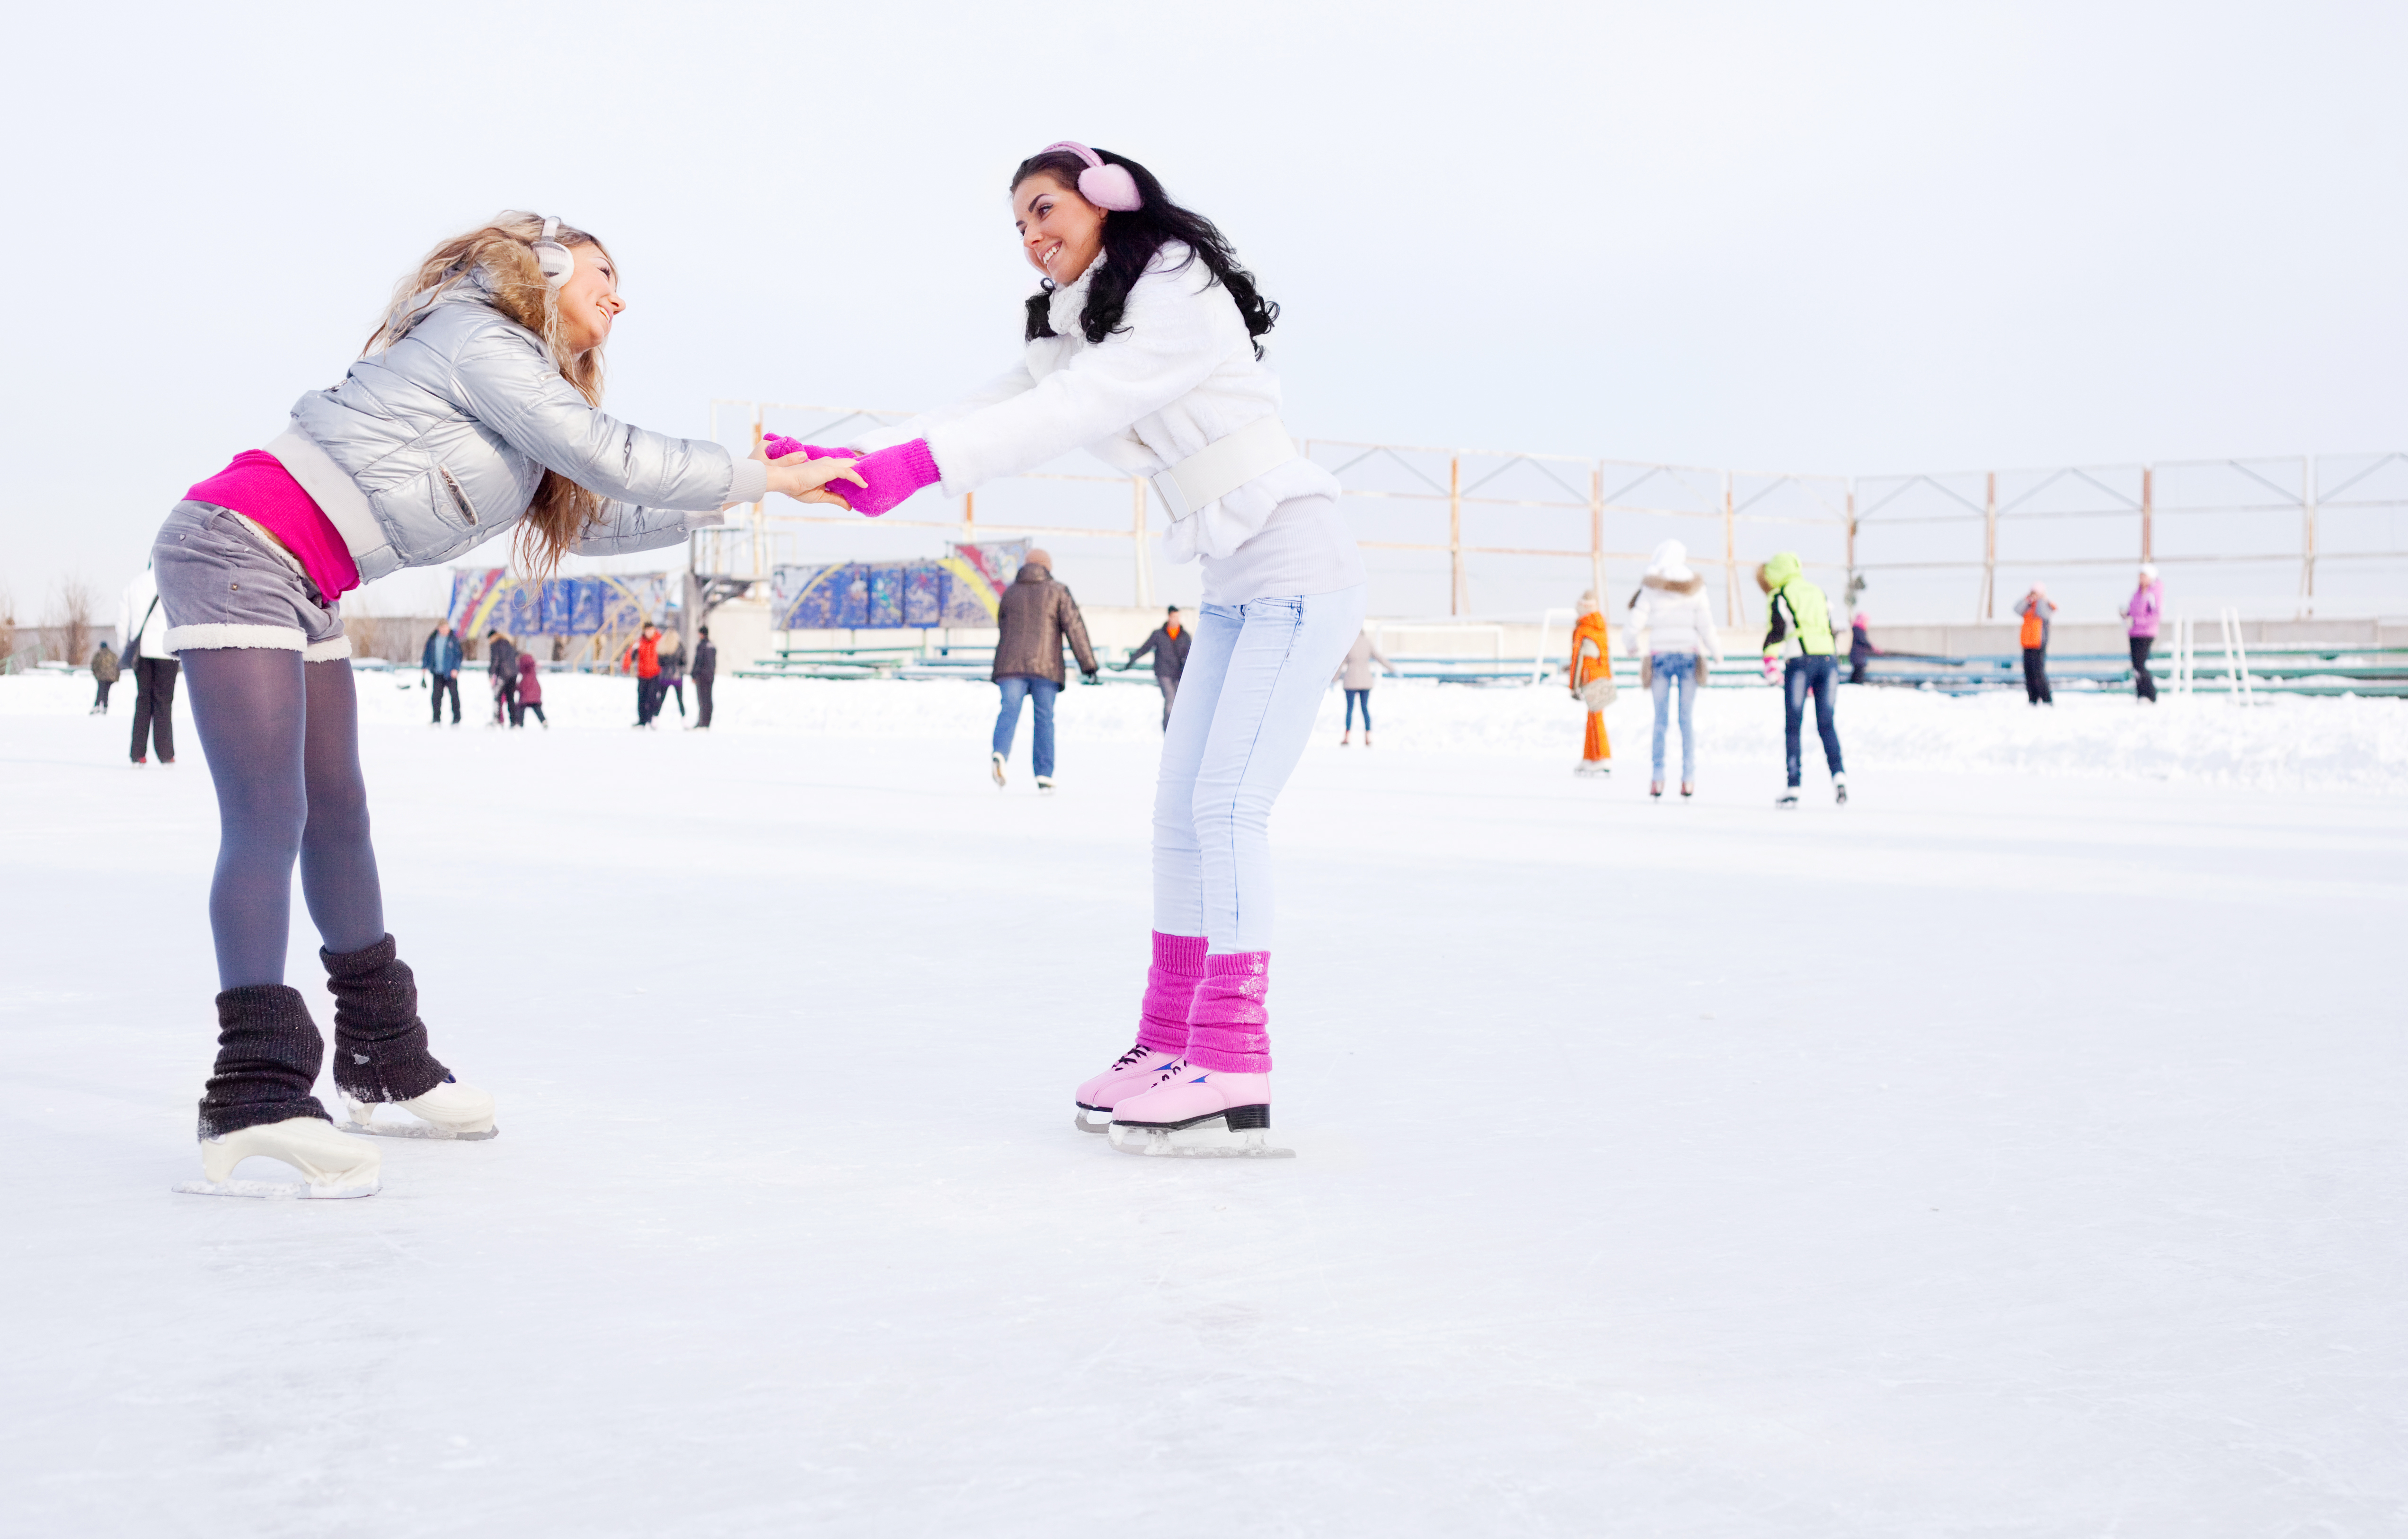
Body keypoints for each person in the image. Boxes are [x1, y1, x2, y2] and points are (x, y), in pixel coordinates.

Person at [146, 210, 859, 1196]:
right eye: (602, 272)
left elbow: (600, 515)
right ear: (550, 265)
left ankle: (380, 1055)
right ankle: (255, 1093)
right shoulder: (478, 336)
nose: (618, 295)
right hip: (235, 546)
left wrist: (757, 493)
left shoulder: (524, 409)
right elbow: (608, 453)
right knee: (271, 816)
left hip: (304, 578)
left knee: (339, 813)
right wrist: (758, 467)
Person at [787, 142, 1365, 1152]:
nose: (1031, 236)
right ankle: (1169, 1039)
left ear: (1108, 201)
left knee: (1228, 808)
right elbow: (1000, 402)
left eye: (1044, 208)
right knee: (1180, 815)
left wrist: (918, 471)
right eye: (1017, 224)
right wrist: (860, 458)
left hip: (1295, 564)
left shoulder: (1176, 291)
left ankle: (1233, 1058)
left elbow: (1071, 413)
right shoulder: (1076, 322)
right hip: (1232, 581)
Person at [983, 549, 1098, 789]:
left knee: (1009, 709)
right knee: (1044, 718)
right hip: (1046, 665)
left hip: (1010, 665)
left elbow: (1002, 623)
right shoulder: (1057, 590)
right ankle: (1044, 774)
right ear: (1048, 567)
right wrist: (1088, 664)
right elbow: (1074, 628)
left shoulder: (1010, 592)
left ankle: (1000, 753)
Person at [1624, 540, 1720, 798]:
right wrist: (1716, 650)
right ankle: (1688, 779)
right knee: (1686, 720)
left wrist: (1630, 644)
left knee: (1660, 720)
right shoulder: (1696, 587)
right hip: (1689, 654)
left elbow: (1635, 621)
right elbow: (1706, 623)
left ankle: (1657, 778)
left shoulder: (1652, 587)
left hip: (1660, 656)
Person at [1758, 552, 1847, 808]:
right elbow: (1829, 626)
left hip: (1800, 661)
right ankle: (1839, 777)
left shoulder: (1781, 595)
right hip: (1829, 660)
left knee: (1794, 724)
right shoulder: (1818, 592)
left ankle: (1793, 786)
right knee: (1826, 723)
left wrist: (1770, 662)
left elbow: (1776, 631)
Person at [118, 562, 178, 764]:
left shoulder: (134, 585)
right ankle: (166, 754)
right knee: (164, 703)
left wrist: (126, 649)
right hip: (166, 650)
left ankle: (138, 754)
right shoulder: (171, 582)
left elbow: (122, 623)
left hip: (141, 651)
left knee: (143, 700)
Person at [1567, 591, 1614, 777]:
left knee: (1596, 718)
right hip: (1603, 673)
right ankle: (1590, 757)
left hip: (1590, 675)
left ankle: (1603, 757)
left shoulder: (1583, 629)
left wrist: (1573, 686)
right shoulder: (1601, 626)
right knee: (1593, 716)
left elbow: (1578, 658)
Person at [1124, 605, 1192, 728]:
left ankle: (1177, 729)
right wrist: (1133, 659)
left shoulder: (1185, 636)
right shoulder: (1159, 634)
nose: (1176, 620)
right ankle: (1167, 729)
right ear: (1169, 617)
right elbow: (1146, 648)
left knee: (1180, 703)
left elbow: (1191, 655)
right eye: (1173, 617)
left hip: (1179, 674)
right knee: (1170, 699)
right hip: (1164, 673)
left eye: (1178, 617)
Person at [1332, 626, 1395, 746]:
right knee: (1365, 708)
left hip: (1351, 680)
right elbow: (1379, 658)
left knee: (1350, 709)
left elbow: (1340, 664)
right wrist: (1393, 669)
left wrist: (1334, 679)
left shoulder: (1349, 644)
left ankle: (1347, 736)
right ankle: (1368, 736)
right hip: (1365, 680)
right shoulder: (1367, 642)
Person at [2122, 563, 2162, 702]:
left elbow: (2155, 615)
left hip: (2146, 633)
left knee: (2141, 665)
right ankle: (2141, 695)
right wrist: (2126, 615)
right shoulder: (2137, 593)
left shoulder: (2153, 594)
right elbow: (2132, 610)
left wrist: (2137, 621)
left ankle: (2150, 695)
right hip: (2134, 633)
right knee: (2136, 666)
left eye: (2143, 576)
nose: (2140, 579)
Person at [2014, 584, 2056, 705]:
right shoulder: (2028, 605)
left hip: (2039, 644)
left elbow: (2044, 614)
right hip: (2027, 643)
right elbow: (2017, 610)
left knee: (2039, 673)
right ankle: (2033, 698)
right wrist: (2027, 600)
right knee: (2029, 672)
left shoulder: (2046, 604)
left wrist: (2041, 600)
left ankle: (2046, 699)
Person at [421, 619, 463, 725]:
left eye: (447, 628)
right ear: (439, 628)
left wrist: (456, 669)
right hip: (437, 672)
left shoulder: (453, 640)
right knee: (436, 697)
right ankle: (436, 719)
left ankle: (457, 718)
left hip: (450, 673)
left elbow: (459, 656)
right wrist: (425, 666)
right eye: (443, 628)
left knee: (454, 696)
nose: (446, 630)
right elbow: (427, 653)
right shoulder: (433, 639)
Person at [628, 621, 663, 727]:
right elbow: (632, 655)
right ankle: (642, 720)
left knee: (652, 697)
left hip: (655, 674)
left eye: (651, 630)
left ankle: (650, 719)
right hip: (643, 674)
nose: (649, 633)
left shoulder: (659, 641)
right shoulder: (640, 642)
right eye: (647, 631)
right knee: (642, 697)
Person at [486, 629, 519, 725]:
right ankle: (514, 721)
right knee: (510, 698)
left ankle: (497, 720)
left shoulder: (495, 644)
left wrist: (491, 674)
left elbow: (495, 660)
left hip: (503, 675)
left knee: (498, 697)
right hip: (513, 675)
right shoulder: (509, 643)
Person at [656, 624, 687, 720]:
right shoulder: (680, 646)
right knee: (680, 699)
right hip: (677, 676)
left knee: (661, 698)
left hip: (665, 676)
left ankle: (655, 719)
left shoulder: (663, 646)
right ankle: (685, 719)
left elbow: (660, 662)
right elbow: (684, 662)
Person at [691, 625, 717, 729]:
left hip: (702, 676)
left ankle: (702, 721)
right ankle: (707, 721)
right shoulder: (712, 646)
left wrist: (694, 675)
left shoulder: (701, 646)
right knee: (709, 699)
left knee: (702, 699)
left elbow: (698, 662)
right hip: (710, 676)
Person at [513, 651, 546, 727]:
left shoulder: (525, 667)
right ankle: (544, 721)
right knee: (537, 708)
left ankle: (519, 723)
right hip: (535, 691)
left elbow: (524, 685)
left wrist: (516, 687)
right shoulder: (531, 669)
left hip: (527, 693)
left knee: (521, 707)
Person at [90, 638, 120, 715]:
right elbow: (118, 666)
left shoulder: (98, 654)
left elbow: (94, 665)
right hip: (111, 677)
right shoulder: (113, 655)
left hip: (101, 677)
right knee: (106, 691)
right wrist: (117, 677)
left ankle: (97, 706)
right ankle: (105, 707)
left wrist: (96, 675)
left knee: (100, 691)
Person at [1847, 609, 1877, 685]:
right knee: (1859, 673)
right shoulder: (1859, 629)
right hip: (1858, 656)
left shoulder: (1858, 629)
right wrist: (1872, 647)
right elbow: (1862, 640)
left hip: (1858, 656)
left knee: (1857, 672)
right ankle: (1856, 685)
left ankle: (1853, 684)